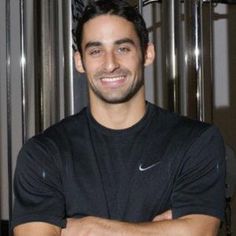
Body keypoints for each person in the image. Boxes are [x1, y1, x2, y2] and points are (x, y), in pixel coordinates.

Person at [12, 0, 225, 235]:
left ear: (148, 53)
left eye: (123, 48)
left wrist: (91, 228)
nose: (110, 64)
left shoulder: (196, 141)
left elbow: (199, 232)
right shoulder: (43, 152)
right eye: (95, 51)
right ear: (79, 62)